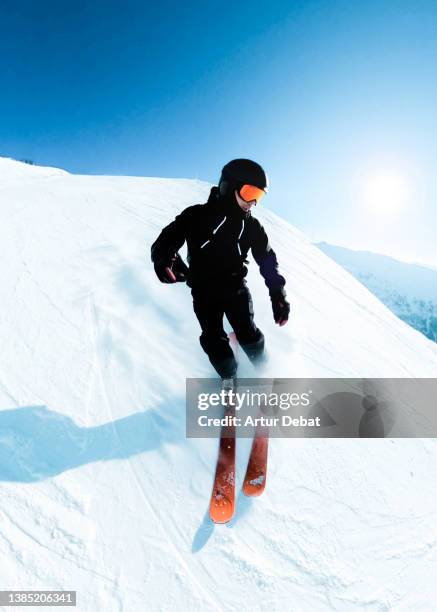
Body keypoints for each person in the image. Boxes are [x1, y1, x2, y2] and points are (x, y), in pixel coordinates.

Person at [151, 158, 290, 380]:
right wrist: (163, 258)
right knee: (213, 338)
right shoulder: (196, 215)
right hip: (203, 289)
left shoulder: (251, 226)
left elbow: (267, 260)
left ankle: (266, 374)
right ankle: (229, 379)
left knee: (248, 334)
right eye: (249, 193)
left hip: (235, 287)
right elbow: (166, 240)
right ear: (228, 187)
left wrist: (277, 293)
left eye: (258, 196)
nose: (252, 202)